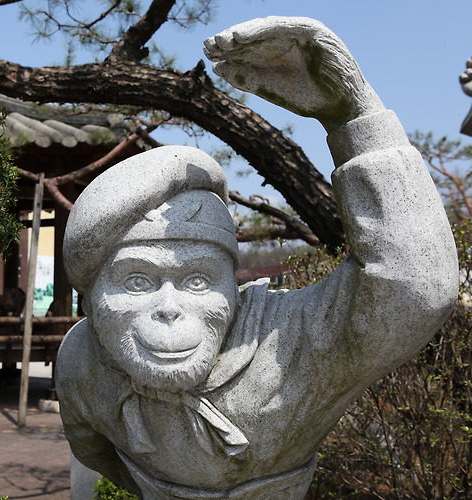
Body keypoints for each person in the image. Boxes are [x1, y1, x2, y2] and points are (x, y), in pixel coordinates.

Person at [56, 17, 459, 499]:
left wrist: (356, 120)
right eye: (137, 282)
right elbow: (93, 449)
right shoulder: (83, 360)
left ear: (233, 285)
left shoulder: (287, 342)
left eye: (199, 281)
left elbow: (411, 289)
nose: (169, 306)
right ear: (93, 295)